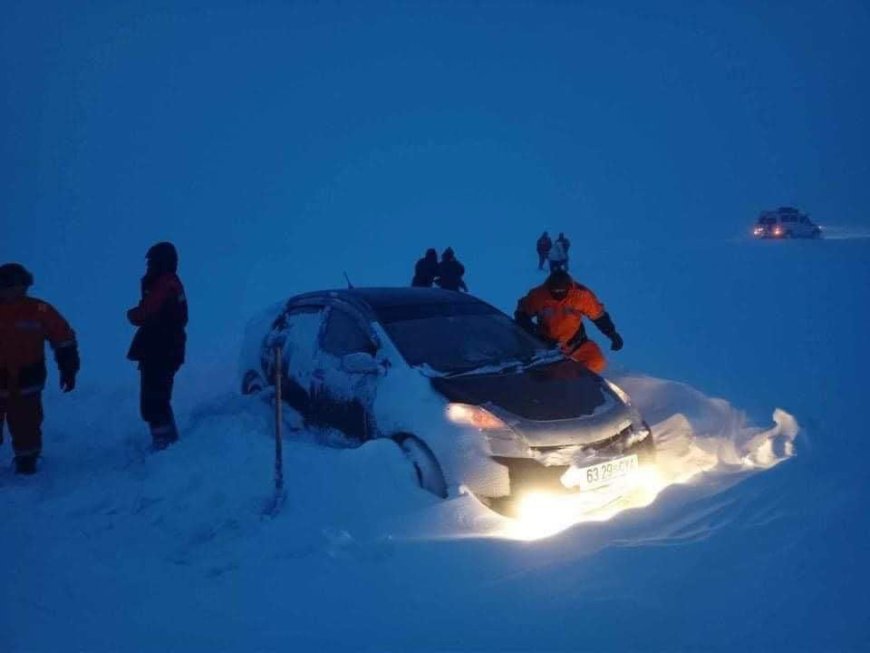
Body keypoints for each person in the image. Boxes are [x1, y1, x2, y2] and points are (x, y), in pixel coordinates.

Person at [0, 263, 79, 474]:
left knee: (26, 422)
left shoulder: (39, 309)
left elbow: (63, 337)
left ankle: (27, 462)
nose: (16, 290)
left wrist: (68, 368)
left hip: (27, 378)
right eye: (9, 286)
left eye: (20, 285)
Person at [126, 242, 188, 450]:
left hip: (161, 349)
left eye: (151, 261)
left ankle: (164, 443)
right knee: (159, 396)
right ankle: (167, 441)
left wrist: (133, 314)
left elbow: (145, 312)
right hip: (166, 348)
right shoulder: (170, 282)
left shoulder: (164, 283)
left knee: (154, 399)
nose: (148, 266)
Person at [514, 269, 623, 373]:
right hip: (544, 346)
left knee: (597, 362)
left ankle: (575, 380)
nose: (558, 295)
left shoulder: (581, 296)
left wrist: (612, 334)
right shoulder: (538, 296)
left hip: (574, 343)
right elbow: (522, 315)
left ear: (569, 288)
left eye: (561, 292)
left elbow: (598, 316)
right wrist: (535, 334)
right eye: (554, 292)